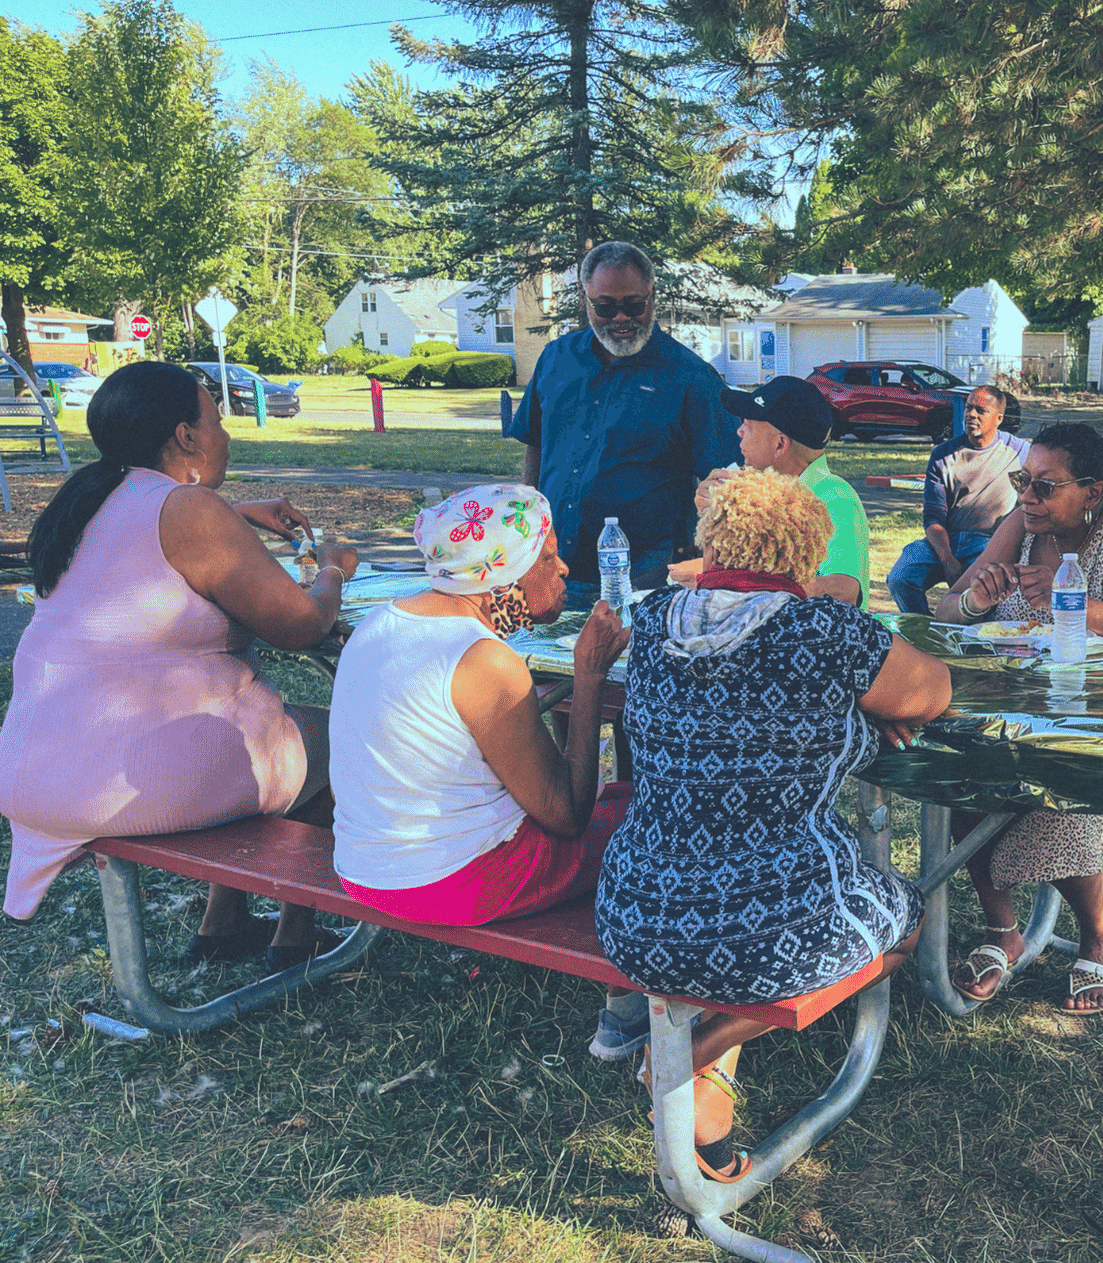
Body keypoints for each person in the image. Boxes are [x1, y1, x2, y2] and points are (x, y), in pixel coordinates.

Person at [596, 466, 951, 1180]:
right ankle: (692, 1048)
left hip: (634, 914)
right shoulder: (825, 631)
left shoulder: (657, 615)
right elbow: (934, 691)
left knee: (738, 918)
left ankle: (708, 1123)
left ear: (713, 541)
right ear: (808, 552)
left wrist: (845, 712)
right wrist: (868, 711)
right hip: (770, 928)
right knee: (907, 914)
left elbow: (731, 708)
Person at [0, 361, 358, 972]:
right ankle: (296, 934)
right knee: (341, 733)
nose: (225, 435)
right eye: (216, 420)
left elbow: (136, 538)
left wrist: (238, 514)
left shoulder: (82, 497)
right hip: (119, 781)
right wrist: (332, 570)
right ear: (187, 436)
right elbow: (302, 626)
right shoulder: (191, 509)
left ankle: (224, 923)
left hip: (35, 769)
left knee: (257, 731)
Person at [933, 421, 1103, 1013]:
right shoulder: (1016, 530)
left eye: (1046, 487)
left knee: (1054, 810)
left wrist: (1076, 602)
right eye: (1024, 481)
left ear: (1093, 492)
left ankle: (1099, 932)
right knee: (959, 786)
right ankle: (1005, 932)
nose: (1027, 497)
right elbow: (949, 609)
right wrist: (975, 600)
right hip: (1015, 709)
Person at [328, 485, 631, 926]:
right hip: (456, 882)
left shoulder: (378, 621)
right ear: (505, 578)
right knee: (658, 816)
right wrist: (588, 675)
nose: (563, 568)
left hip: (362, 869)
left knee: (629, 799)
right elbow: (567, 813)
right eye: (547, 558)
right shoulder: (483, 659)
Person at [505, 241, 742, 603]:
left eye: (633, 305)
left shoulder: (691, 377)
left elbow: (728, 481)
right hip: (554, 570)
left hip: (644, 579)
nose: (621, 318)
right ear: (586, 300)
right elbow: (535, 444)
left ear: (652, 297)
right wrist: (527, 528)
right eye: (606, 307)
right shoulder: (556, 358)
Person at [674, 375, 870, 605]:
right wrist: (713, 520)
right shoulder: (755, 492)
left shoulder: (834, 498)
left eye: (748, 425)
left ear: (780, 445)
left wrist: (741, 582)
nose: (740, 432)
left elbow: (844, 592)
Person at [885, 385, 1029, 614]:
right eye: (969, 408)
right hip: (944, 541)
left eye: (981, 410)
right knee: (900, 577)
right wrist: (948, 559)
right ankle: (925, 630)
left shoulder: (1020, 452)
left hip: (988, 543)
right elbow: (933, 518)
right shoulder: (944, 455)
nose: (971, 414)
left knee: (988, 585)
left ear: (998, 418)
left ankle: (974, 638)